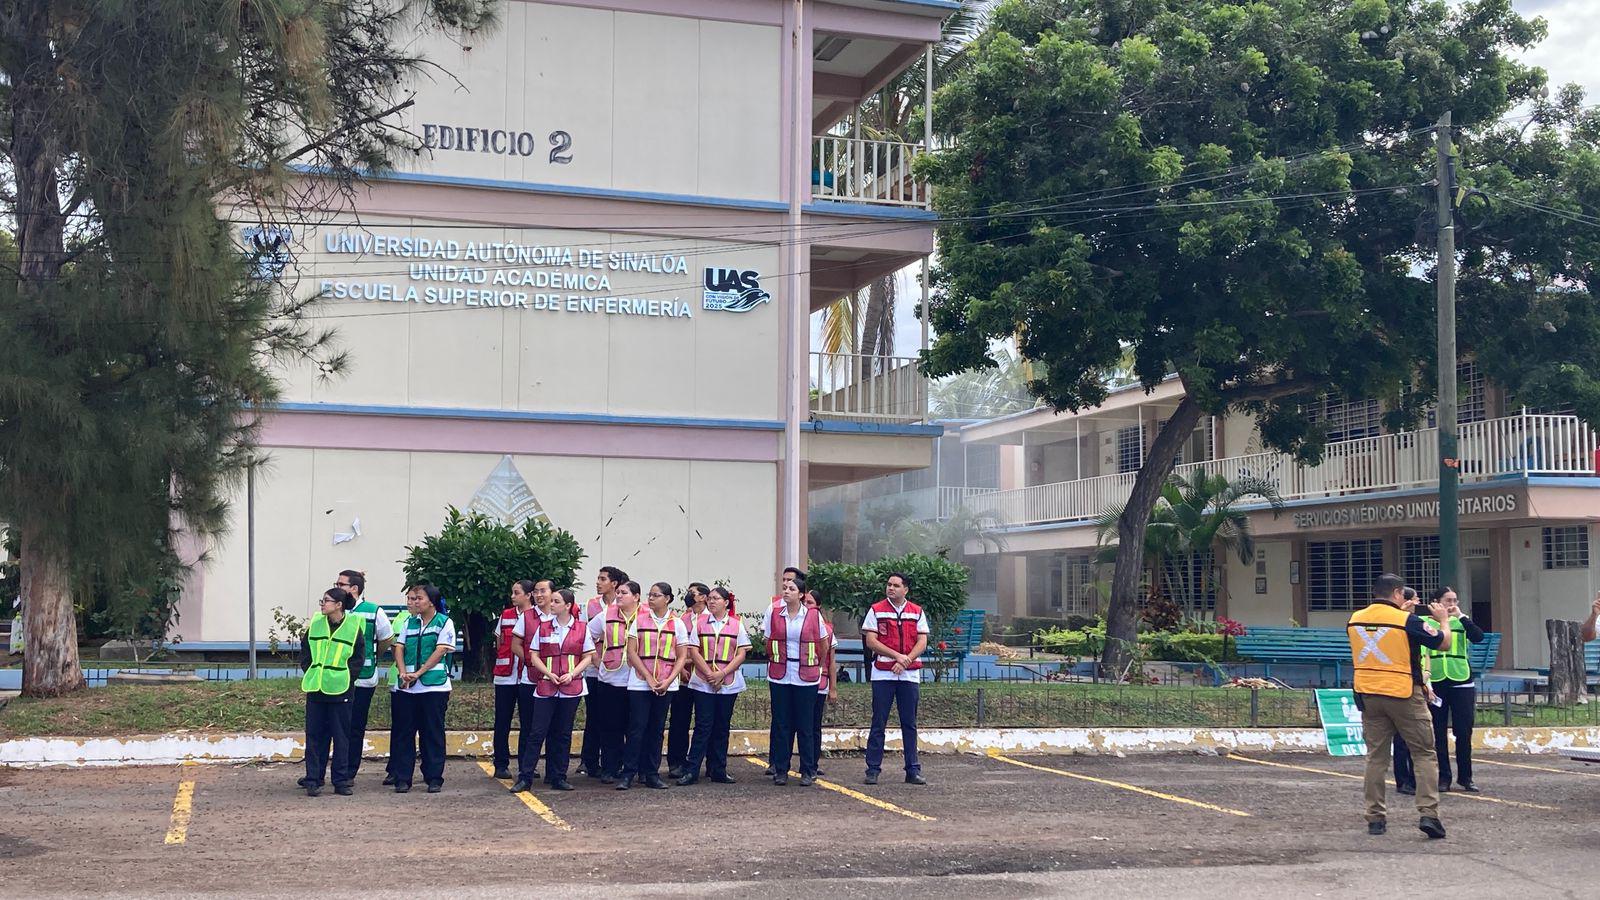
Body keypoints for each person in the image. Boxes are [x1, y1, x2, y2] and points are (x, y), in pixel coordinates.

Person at [1347, 572, 1453, 839]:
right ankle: (1429, 814)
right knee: (1424, 754)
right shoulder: (1407, 620)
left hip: (1369, 694)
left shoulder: (1355, 618)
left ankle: (1375, 818)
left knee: (1376, 758)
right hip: (1404, 694)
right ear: (1397, 594)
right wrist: (1443, 621)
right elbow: (1443, 642)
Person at [511, 588, 594, 792]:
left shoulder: (582, 628)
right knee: (537, 732)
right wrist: (547, 673)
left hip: (571, 686)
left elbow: (588, 656)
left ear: (568, 606)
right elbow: (535, 654)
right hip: (546, 685)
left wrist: (572, 674)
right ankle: (525, 777)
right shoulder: (544, 627)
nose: (552, 604)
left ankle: (559, 776)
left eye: (556, 601)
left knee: (563, 733)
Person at [617, 582, 689, 790]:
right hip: (640, 682)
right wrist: (648, 677)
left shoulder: (678, 624)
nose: (651, 598)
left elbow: (682, 655)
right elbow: (632, 652)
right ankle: (628, 773)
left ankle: (651, 773)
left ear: (667, 599)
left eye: (656, 595)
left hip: (666, 683)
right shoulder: (639, 620)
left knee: (656, 729)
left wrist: (668, 681)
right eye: (650, 595)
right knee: (636, 728)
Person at [862, 572, 929, 786]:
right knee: (878, 721)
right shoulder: (876, 610)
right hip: (883, 672)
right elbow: (871, 641)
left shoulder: (916, 611)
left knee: (909, 723)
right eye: (889, 585)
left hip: (909, 673)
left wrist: (906, 660)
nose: (891, 588)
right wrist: (896, 656)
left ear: (905, 589)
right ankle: (872, 769)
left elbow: (922, 641)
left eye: (896, 585)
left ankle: (912, 769)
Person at [678, 586, 749, 785]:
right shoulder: (700, 622)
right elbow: (693, 650)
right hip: (703, 682)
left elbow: (741, 653)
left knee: (721, 726)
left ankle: (718, 769)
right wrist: (710, 674)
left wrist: (723, 673)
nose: (711, 601)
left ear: (726, 603)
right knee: (703, 726)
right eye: (709, 598)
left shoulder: (736, 624)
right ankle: (692, 770)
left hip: (728, 682)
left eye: (716, 598)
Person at [299, 587, 366, 796]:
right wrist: (310, 669)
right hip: (317, 686)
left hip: (341, 689)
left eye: (326, 601)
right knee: (315, 736)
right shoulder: (316, 624)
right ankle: (313, 779)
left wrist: (347, 677)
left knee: (341, 736)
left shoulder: (353, 626)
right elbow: (306, 651)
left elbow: (358, 657)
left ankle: (341, 780)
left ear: (338, 605)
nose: (322, 604)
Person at [390, 583, 455, 794]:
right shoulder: (410, 622)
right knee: (403, 733)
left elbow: (441, 649)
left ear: (431, 601)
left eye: (419, 598)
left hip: (433, 686)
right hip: (407, 687)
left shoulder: (444, 622)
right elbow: (399, 647)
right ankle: (402, 778)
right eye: (413, 598)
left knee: (432, 732)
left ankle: (434, 776)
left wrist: (419, 673)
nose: (415, 602)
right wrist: (402, 672)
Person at [1422, 586, 1485, 793]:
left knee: (1463, 730)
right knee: (1438, 731)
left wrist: (1463, 617)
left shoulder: (1462, 622)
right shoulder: (1427, 624)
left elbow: (1478, 637)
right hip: (1438, 680)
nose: (1452, 605)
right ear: (1436, 602)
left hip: (1461, 679)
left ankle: (1466, 777)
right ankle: (1444, 778)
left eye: (1455, 600)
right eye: (1448, 601)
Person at [764, 576, 824, 786]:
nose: (786, 591)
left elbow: (822, 643)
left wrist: (816, 664)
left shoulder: (813, 616)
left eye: (791, 588)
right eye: (784, 588)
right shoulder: (774, 613)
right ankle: (781, 769)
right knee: (782, 724)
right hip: (780, 673)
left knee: (805, 724)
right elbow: (767, 640)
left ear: (801, 594)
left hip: (806, 676)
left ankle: (808, 769)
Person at [335, 570, 393, 783]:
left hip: (364, 678)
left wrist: (371, 656)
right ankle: (331, 770)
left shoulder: (372, 611)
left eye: (341, 584)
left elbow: (386, 638)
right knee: (335, 726)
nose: (337, 587)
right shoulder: (335, 608)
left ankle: (349, 771)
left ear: (354, 589)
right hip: (337, 678)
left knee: (355, 726)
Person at [588, 575, 639, 783]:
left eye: (623, 593)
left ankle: (634, 768)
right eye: (618, 592)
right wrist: (597, 660)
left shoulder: (646, 616)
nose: (618, 596)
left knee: (635, 727)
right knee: (610, 727)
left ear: (636, 597)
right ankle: (610, 768)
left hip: (637, 681)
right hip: (610, 680)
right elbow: (586, 637)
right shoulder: (605, 615)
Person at [577, 565, 626, 778]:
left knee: (616, 719)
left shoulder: (624, 605)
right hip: (595, 668)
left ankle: (618, 761)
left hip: (618, 670)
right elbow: (583, 634)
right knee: (594, 717)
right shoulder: (591, 605)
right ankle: (588, 761)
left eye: (602, 579)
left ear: (614, 583)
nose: (598, 582)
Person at [490, 580, 537, 780]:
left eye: (516, 593)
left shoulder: (538, 616)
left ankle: (526, 765)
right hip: (506, 677)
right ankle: (501, 764)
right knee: (502, 721)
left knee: (528, 722)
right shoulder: (506, 615)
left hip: (527, 676)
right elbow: (499, 641)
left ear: (528, 595)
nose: (512, 596)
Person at [666, 582, 709, 779]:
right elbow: (676, 647)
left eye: (693, 593)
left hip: (702, 679)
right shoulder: (683, 619)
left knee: (704, 723)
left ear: (703, 597)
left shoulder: (711, 619)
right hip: (683, 678)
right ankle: (676, 762)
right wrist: (681, 667)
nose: (689, 596)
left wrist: (690, 661)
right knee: (679, 721)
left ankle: (701, 763)